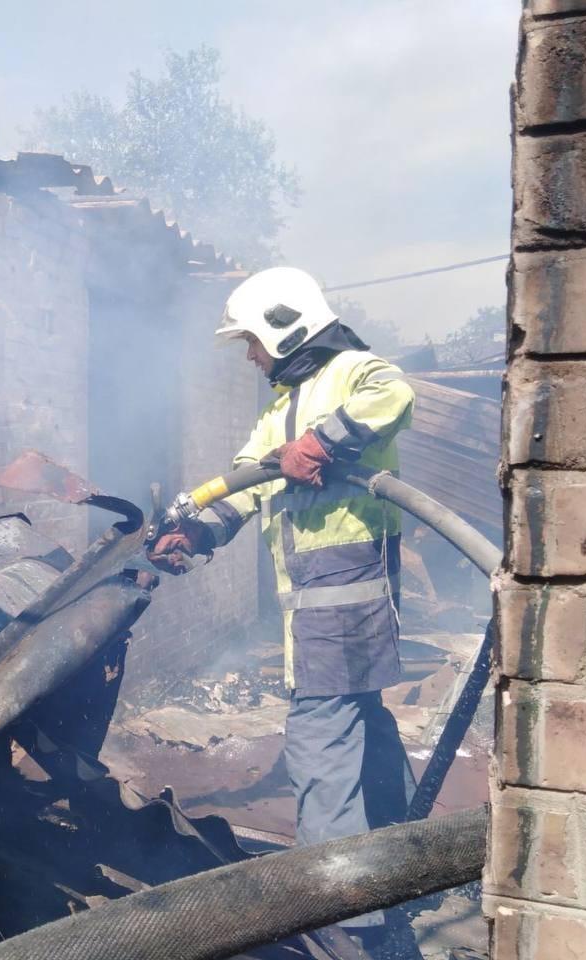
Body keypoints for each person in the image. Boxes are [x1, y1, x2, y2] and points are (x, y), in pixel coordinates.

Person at [147, 267, 423, 959]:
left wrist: (327, 442)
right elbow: (246, 480)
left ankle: (340, 919)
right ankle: (406, 861)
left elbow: (396, 392)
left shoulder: (353, 372)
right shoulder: (280, 409)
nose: (248, 356)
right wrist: (199, 533)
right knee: (362, 723)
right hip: (316, 599)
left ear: (284, 326)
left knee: (319, 742)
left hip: (346, 589)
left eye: (252, 342)